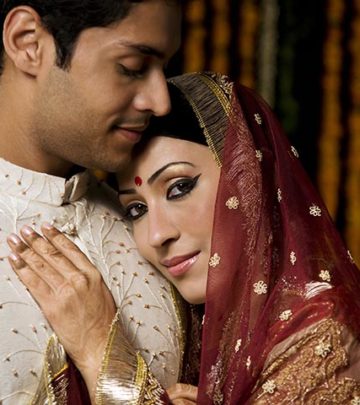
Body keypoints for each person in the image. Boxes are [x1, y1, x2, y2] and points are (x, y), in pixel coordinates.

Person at [7, 71, 360, 403]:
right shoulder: (210, 323)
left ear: (251, 177)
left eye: (179, 188)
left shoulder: (321, 330)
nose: (157, 235)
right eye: (136, 210)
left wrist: (100, 350)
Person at [0, 1, 183, 404]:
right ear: (27, 43)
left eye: (163, 70)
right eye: (133, 66)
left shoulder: (160, 233)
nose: (161, 101)